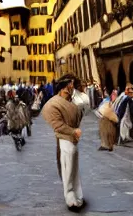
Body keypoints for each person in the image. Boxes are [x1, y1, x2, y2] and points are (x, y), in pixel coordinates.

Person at [42, 74, 84, 212]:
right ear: (64, 87)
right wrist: (73, 132)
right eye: (70, 85)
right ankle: (70, 195)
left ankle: (78, 194)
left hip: (73, 138)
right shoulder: (52, 104)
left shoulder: (73, 102)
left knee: (74, 166)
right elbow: (58, 125)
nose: (72, 87)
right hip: (64, 139)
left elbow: (78, 118)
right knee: (68, 165)